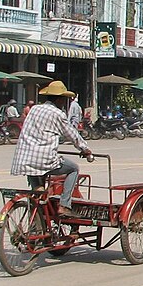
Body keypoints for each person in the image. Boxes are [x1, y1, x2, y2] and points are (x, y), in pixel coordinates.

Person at [10, 81, 92, 219]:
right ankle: (64, 205)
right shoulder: (58, 114)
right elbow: (72, 135)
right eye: (64, 99)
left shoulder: (34, 109)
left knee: (37, 188)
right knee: (73, 169)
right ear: (59, 99)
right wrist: (85, 149)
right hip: (44, 160)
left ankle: (37, 219)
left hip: (24, 159)